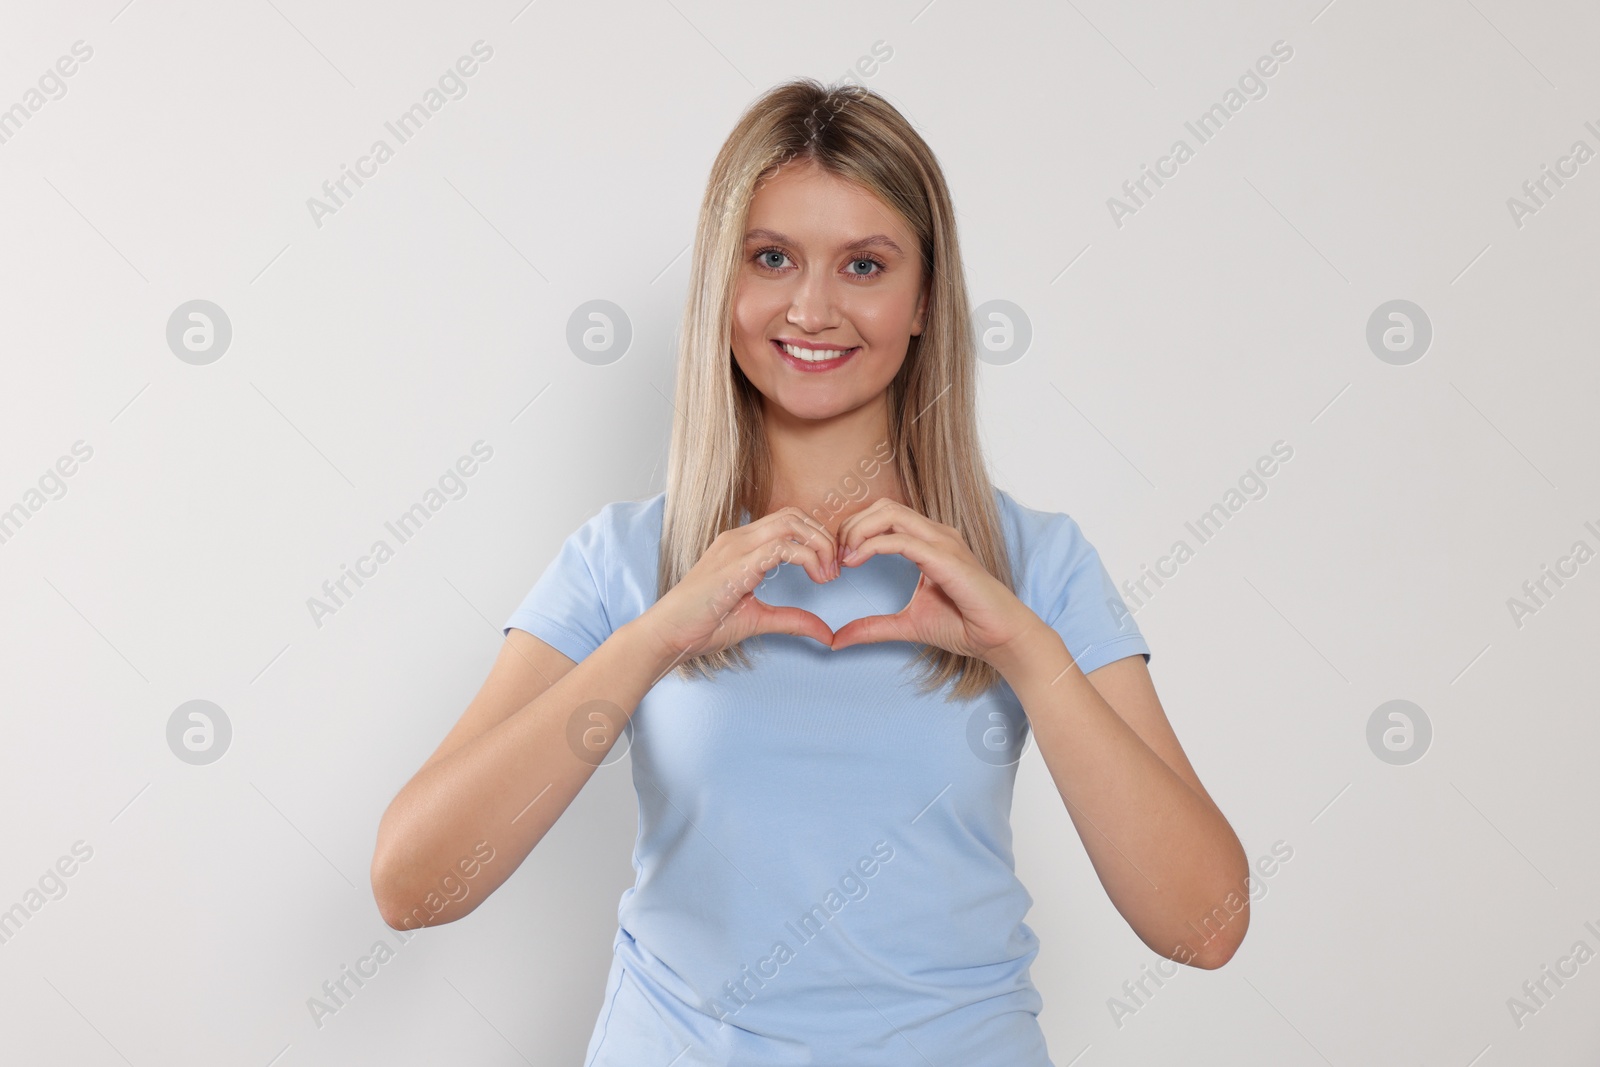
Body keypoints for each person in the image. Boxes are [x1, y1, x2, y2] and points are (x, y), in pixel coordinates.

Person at [371, 77, 1249, 1066]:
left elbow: (1204, 925)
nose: (812, 306)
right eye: (772, 257)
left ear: (923, 299)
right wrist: (655, 637)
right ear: (722, 282)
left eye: (864, 264)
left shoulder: (1033, 565)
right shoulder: (629, 559)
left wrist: (1031, 658)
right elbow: (414, 886)